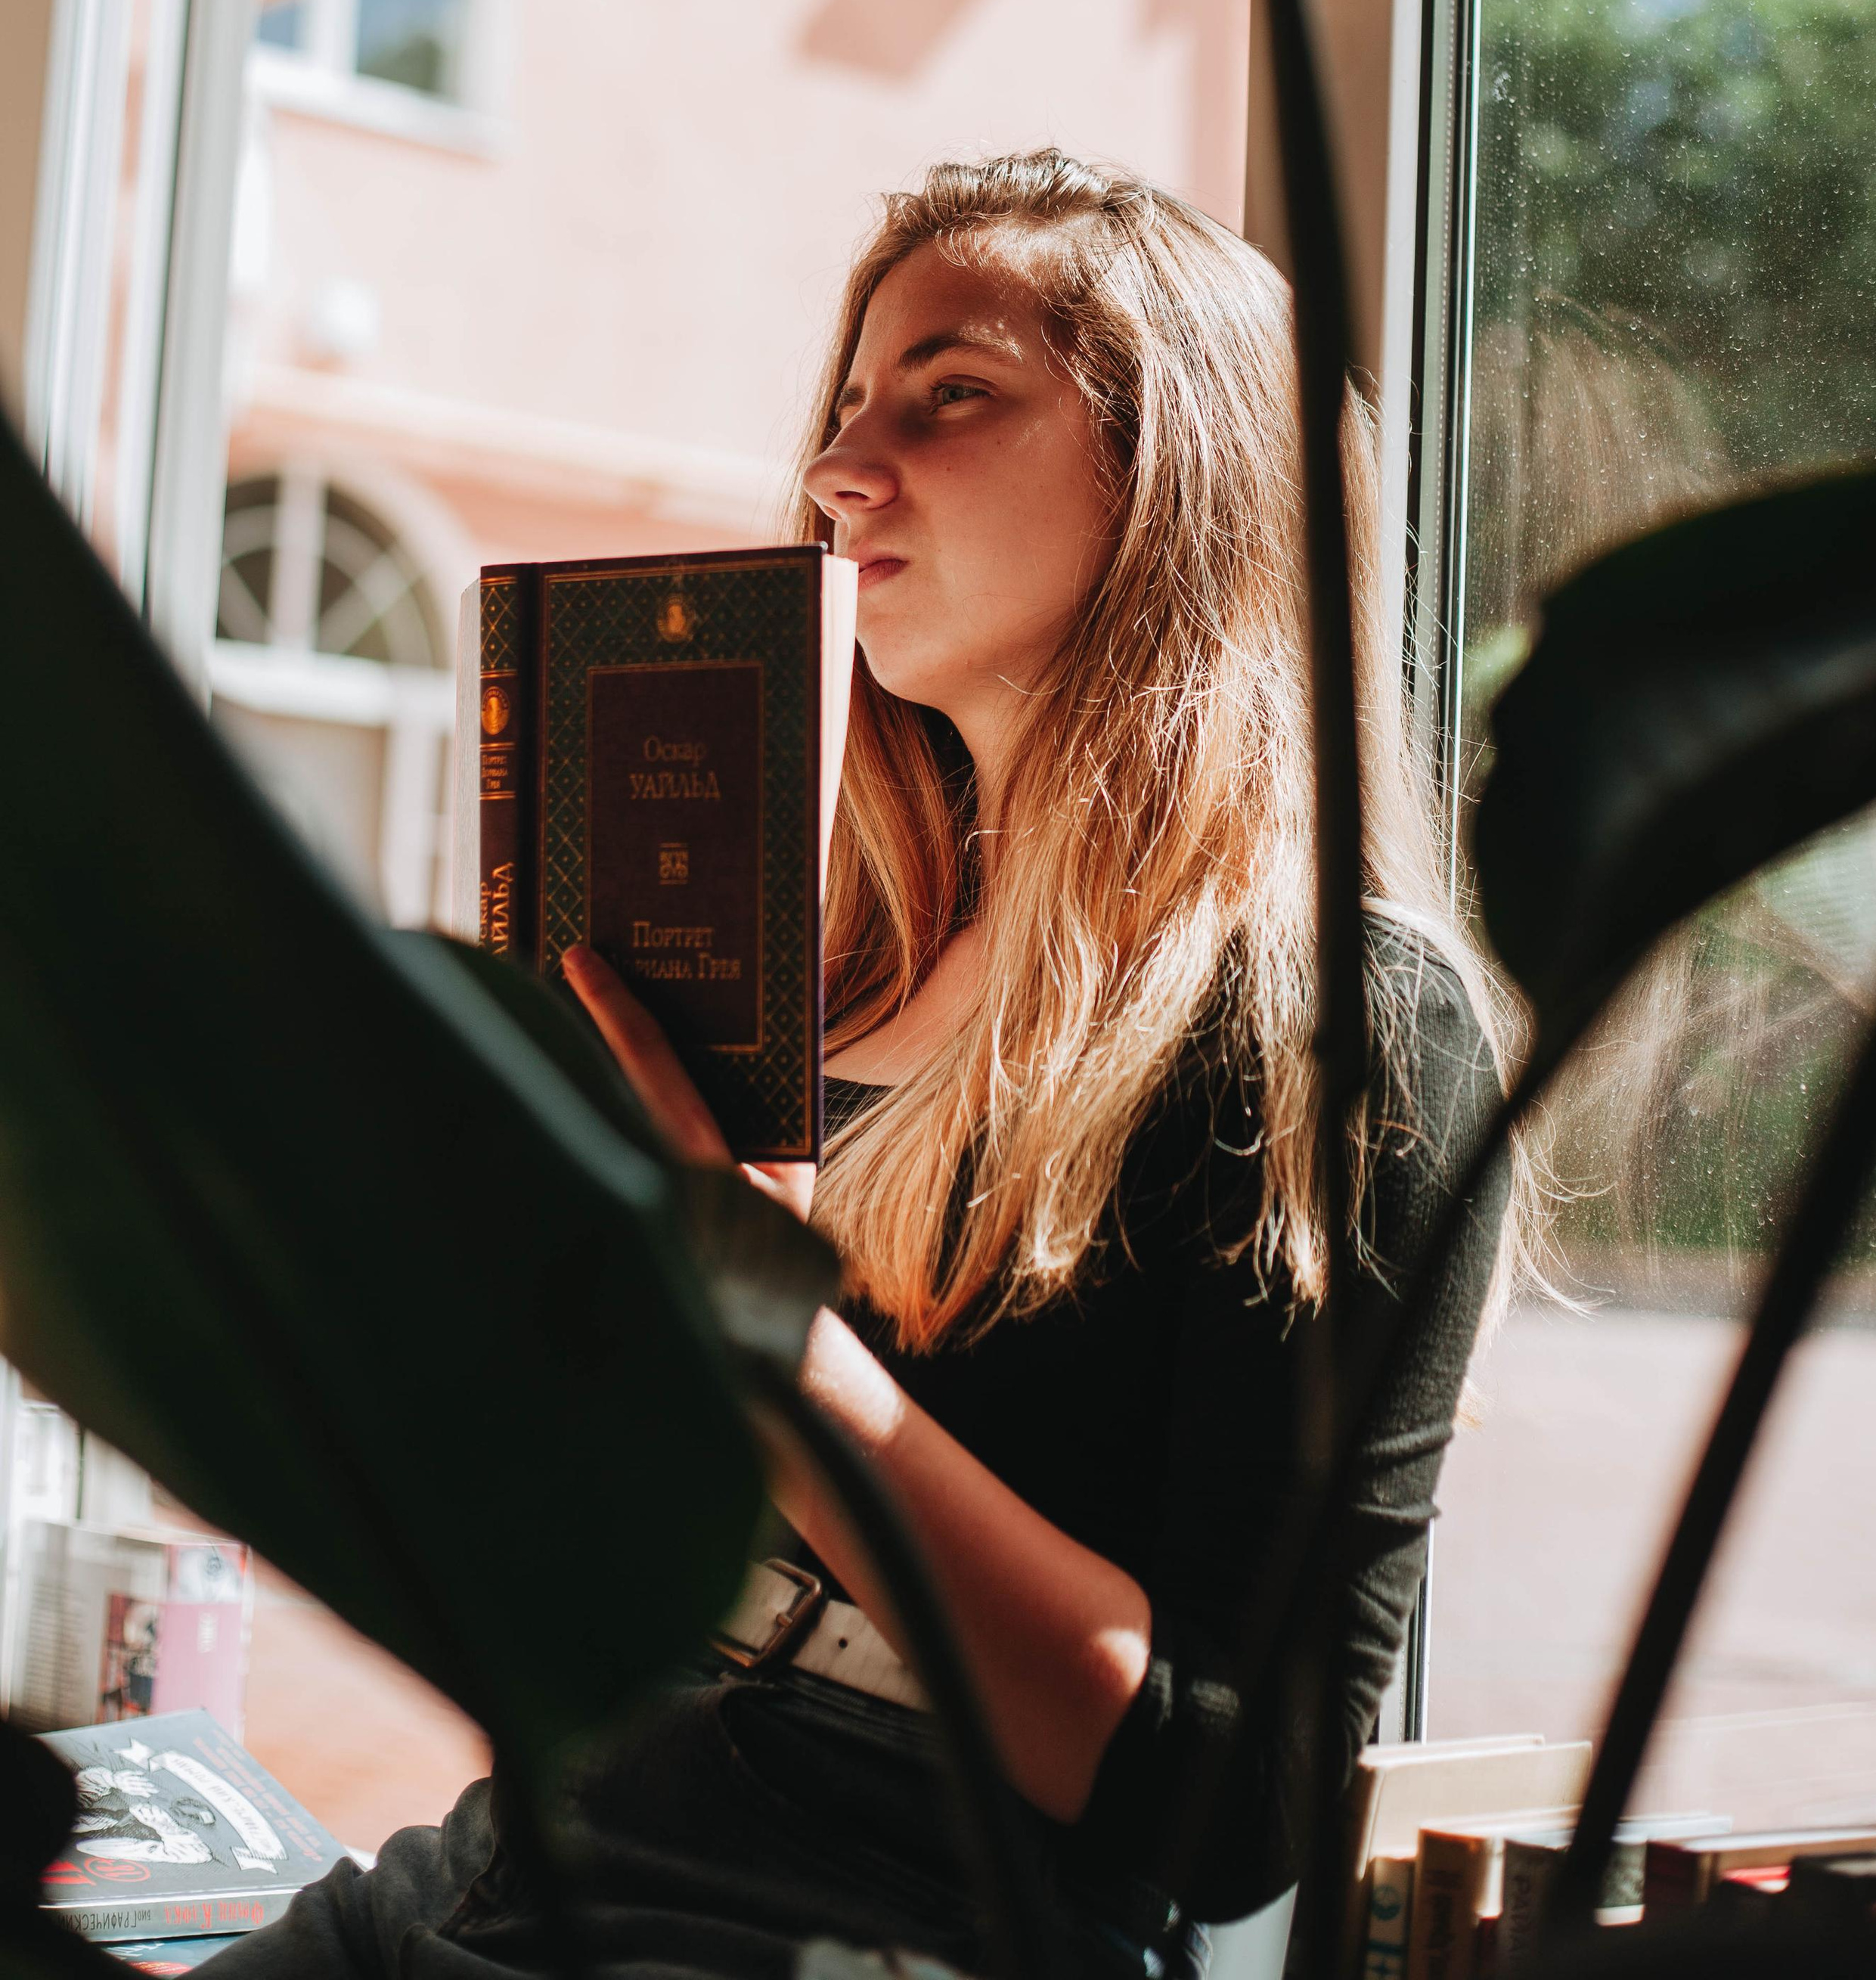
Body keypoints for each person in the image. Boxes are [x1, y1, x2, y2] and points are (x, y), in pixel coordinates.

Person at [234, 152, 1521, 1980]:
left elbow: (1234, 1814)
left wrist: (768, 1335)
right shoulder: (824, 964)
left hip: (870, 1920)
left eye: (951, 395)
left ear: (1173, 468)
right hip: (525, 1855)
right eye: (848, 405)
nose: (839, 470)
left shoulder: (1338, 1027)